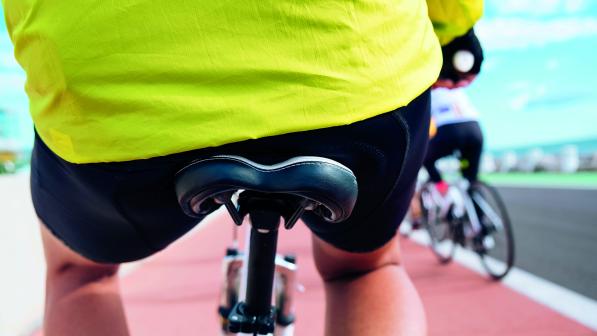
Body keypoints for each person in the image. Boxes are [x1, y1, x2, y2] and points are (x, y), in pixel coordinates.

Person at [2, 1, 483, 335]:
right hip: (352, 68)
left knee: (81, 278)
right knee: (364, 270)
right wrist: (454, 31)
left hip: (114, 86)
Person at [424, 88, 484, 194]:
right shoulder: (457, 89)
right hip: (474, 129)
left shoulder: (430, 91)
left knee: (425, 158)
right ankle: (476, 201)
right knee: (471, 177)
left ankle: (441, 186)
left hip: (449, 130)